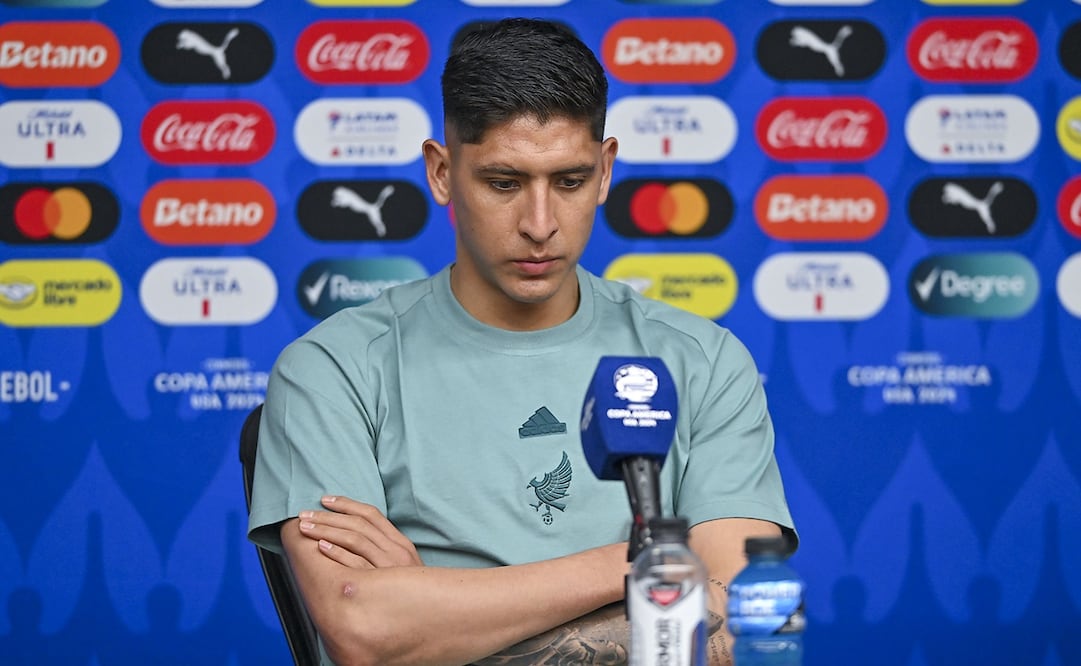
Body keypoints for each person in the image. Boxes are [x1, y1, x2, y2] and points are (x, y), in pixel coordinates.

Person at [248, 17, 796, 666]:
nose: (540, 226)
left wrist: (433, 604)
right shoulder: (332, 370)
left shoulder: (701, 361)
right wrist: (643, 563)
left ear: (605, 170)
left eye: (568, 181)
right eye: (503, 183)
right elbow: (364, 629)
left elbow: (746, 633)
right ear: (442, 172)